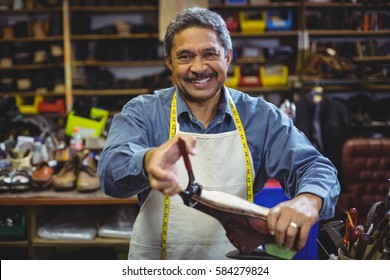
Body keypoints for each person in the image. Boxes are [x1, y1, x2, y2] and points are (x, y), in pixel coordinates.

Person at [97, 7, 340, 260]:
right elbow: (110, 171)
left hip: (234, 263)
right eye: (185, 56)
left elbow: (314, 166)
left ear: (228, 57)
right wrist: (147, 162)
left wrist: (308, 200)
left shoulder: (260, 117)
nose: (199, 67)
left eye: (210, 54)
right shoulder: (143, 112)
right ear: (169, 62)